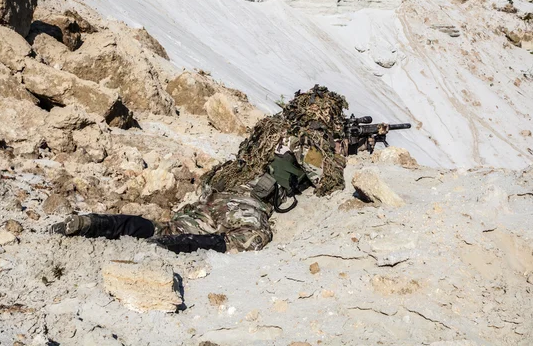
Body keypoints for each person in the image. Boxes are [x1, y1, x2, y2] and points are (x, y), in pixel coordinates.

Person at [50, 85, 364, 254]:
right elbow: (327, 181)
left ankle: (94, 223)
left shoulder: (272, 124)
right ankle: (172, 248)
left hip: (213, 193)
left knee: (165, 226)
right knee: (253, 237)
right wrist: (339, 152)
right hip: (244, 201)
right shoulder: (310, 134)